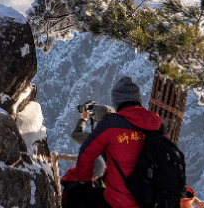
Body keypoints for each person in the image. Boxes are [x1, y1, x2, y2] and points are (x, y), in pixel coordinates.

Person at [63, 76, 164, 208]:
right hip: (147, 196)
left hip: (117, 197)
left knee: (75, 193)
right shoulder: (153, 124)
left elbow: (76, 136)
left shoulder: (106, 131)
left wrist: (83, 119)